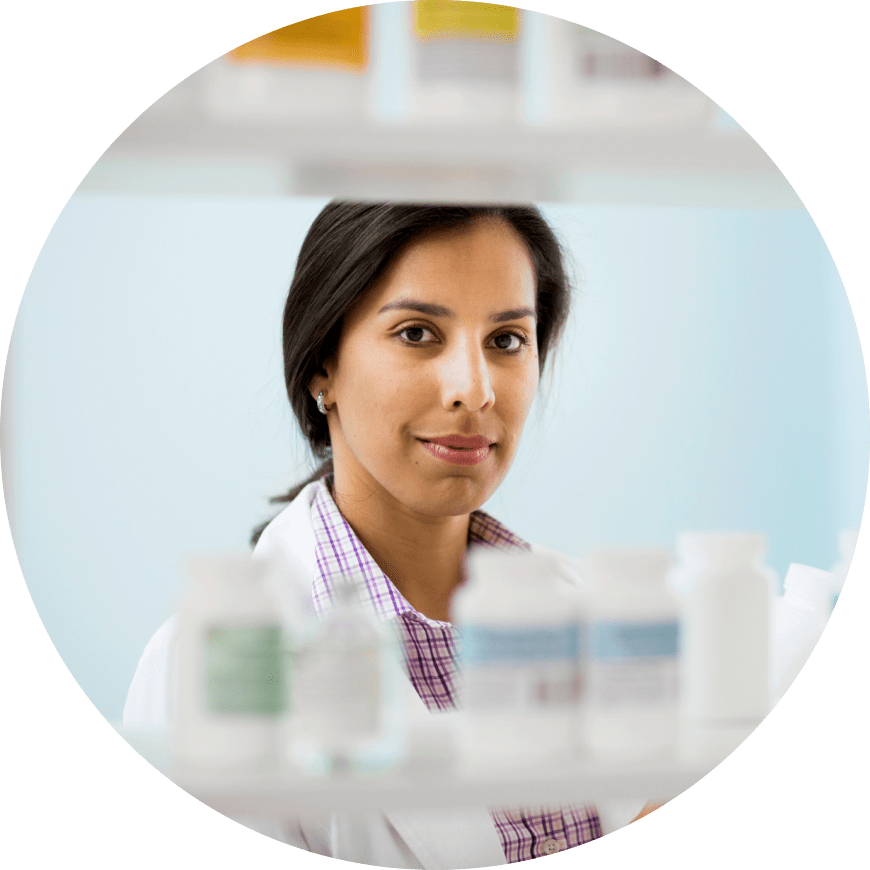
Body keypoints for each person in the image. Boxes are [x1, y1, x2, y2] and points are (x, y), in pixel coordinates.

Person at [125, 201, 654, 866]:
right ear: (323, 365)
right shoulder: (205, 668)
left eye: (507, 340)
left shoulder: (597, 611)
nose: (475, 389)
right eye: (416, 333)